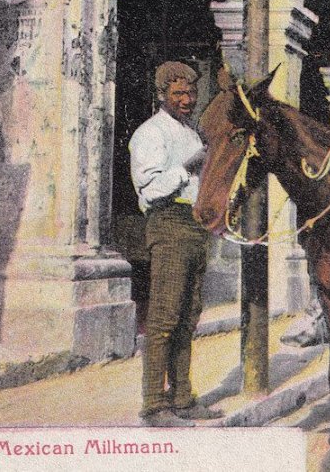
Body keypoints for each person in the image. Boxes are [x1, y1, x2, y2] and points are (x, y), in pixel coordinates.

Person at [129, 61, 222, 426]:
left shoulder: (191, 133)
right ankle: (154, 405)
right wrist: (188, 167)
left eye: (191, 93)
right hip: (167, 223)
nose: (187, 100)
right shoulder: (150, 133)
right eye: (178, 93)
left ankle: (181, 398)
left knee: (188, 317)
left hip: (195, 225)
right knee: (165, 317)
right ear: (162, 95)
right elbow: (150, 189)